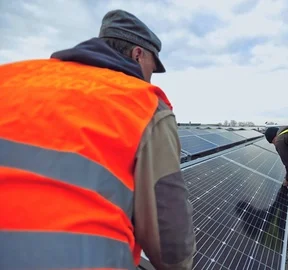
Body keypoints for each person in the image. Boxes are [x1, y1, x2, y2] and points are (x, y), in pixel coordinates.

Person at [0, 9, 195, 270]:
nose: (150, 75)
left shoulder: (12, 77)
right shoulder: (144, 105)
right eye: (152, 66)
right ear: (138, 54)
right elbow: (171, 249)